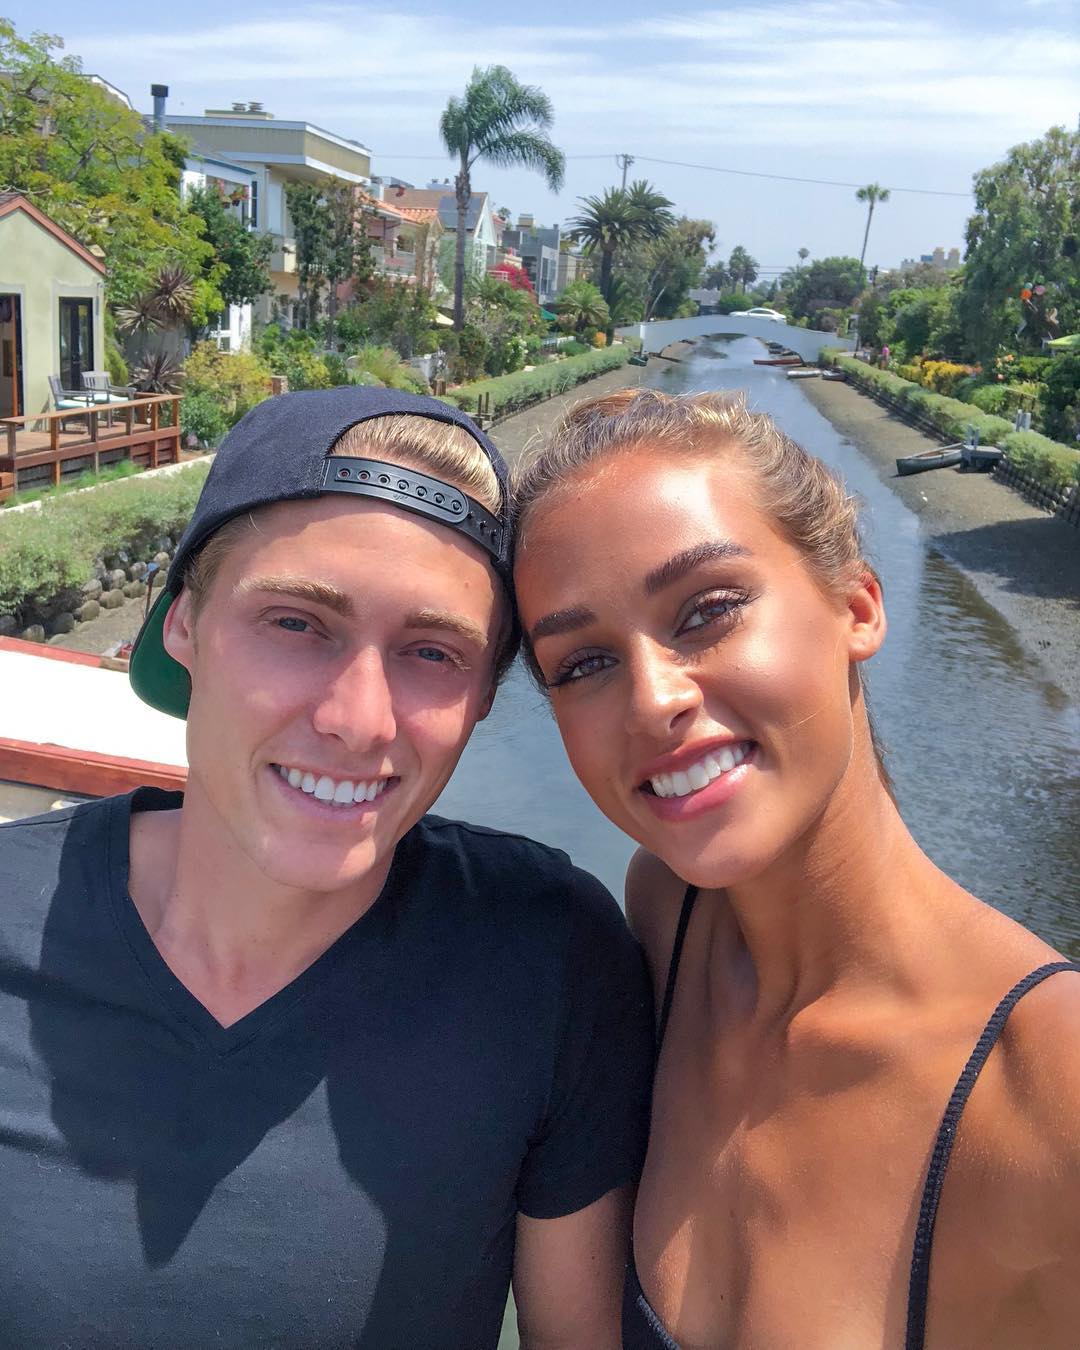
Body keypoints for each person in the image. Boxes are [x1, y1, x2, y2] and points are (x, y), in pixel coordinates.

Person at [0, 387, 653, 1349]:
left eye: (432, 652)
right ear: (182, 623)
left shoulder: (551, 959)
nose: (358, 720)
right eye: (297, 624)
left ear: (482, 696)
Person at [510, 387, 1080, 1349]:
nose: (651, 700)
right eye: (583, 663)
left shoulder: (1049, 1088)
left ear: (857, 605)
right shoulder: (669, 916)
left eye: (708, 610)